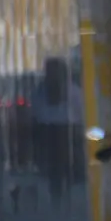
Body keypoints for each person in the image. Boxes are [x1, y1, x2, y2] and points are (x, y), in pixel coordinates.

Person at [30, 58, 84, 209]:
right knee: (54, 168)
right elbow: (36, 111)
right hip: (50, 131)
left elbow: (81, 112)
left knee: (65, 166)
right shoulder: (41, 91)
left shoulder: (72, 91)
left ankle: (64, 195)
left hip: (65, 130)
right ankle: (58, 196)